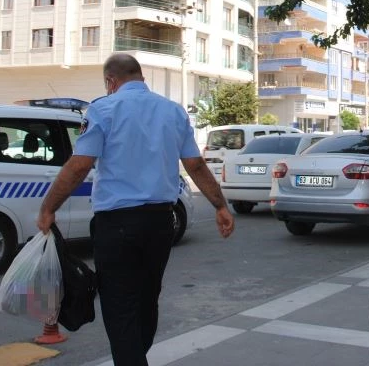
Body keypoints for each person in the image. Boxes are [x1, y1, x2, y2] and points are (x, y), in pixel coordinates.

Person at [37, 53, 234, 366]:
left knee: (119, 308)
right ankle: (135, 355)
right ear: (142, 78)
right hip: (160, 224)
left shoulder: (102, 108)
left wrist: (48, 208)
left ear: (111, 82)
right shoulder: (173, 111)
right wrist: (220, 206)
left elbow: (79, 165)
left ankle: (132, 359)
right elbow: (195, 164)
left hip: (116, 226)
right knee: (146, 299)